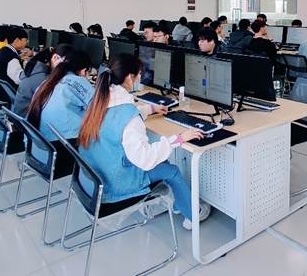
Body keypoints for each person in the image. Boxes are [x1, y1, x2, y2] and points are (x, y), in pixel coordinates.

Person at [78, 54, 211, 229]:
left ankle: (179, 203)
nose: (140, 78)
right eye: (139, 74)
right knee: (171, 171)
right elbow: (144, 159)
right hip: (116, 184)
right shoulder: (129, 116)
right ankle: (193, 215)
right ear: (129, 77)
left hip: (96, 175)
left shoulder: (101, 99)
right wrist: (179, 138)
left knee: (162, 161)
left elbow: (119, 118)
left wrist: (150, 109)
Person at [26, 50, 93, 176]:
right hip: (59, 155)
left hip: (37, 149)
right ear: (84, 71)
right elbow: (99, 109)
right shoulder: (78, 81)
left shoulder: (47, 82)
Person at [12, 44, 75, 117]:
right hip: (28, 119)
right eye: (66, 66)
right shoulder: (45, 79)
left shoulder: (35, 69)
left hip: (21, 116)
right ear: (55, 57)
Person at [0, 28, 31, 103]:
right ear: (17, 40)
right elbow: (19, 80)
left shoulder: (3, 50)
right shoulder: (11, 57)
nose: (26, 43)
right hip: (5, 96)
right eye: (25, 40)